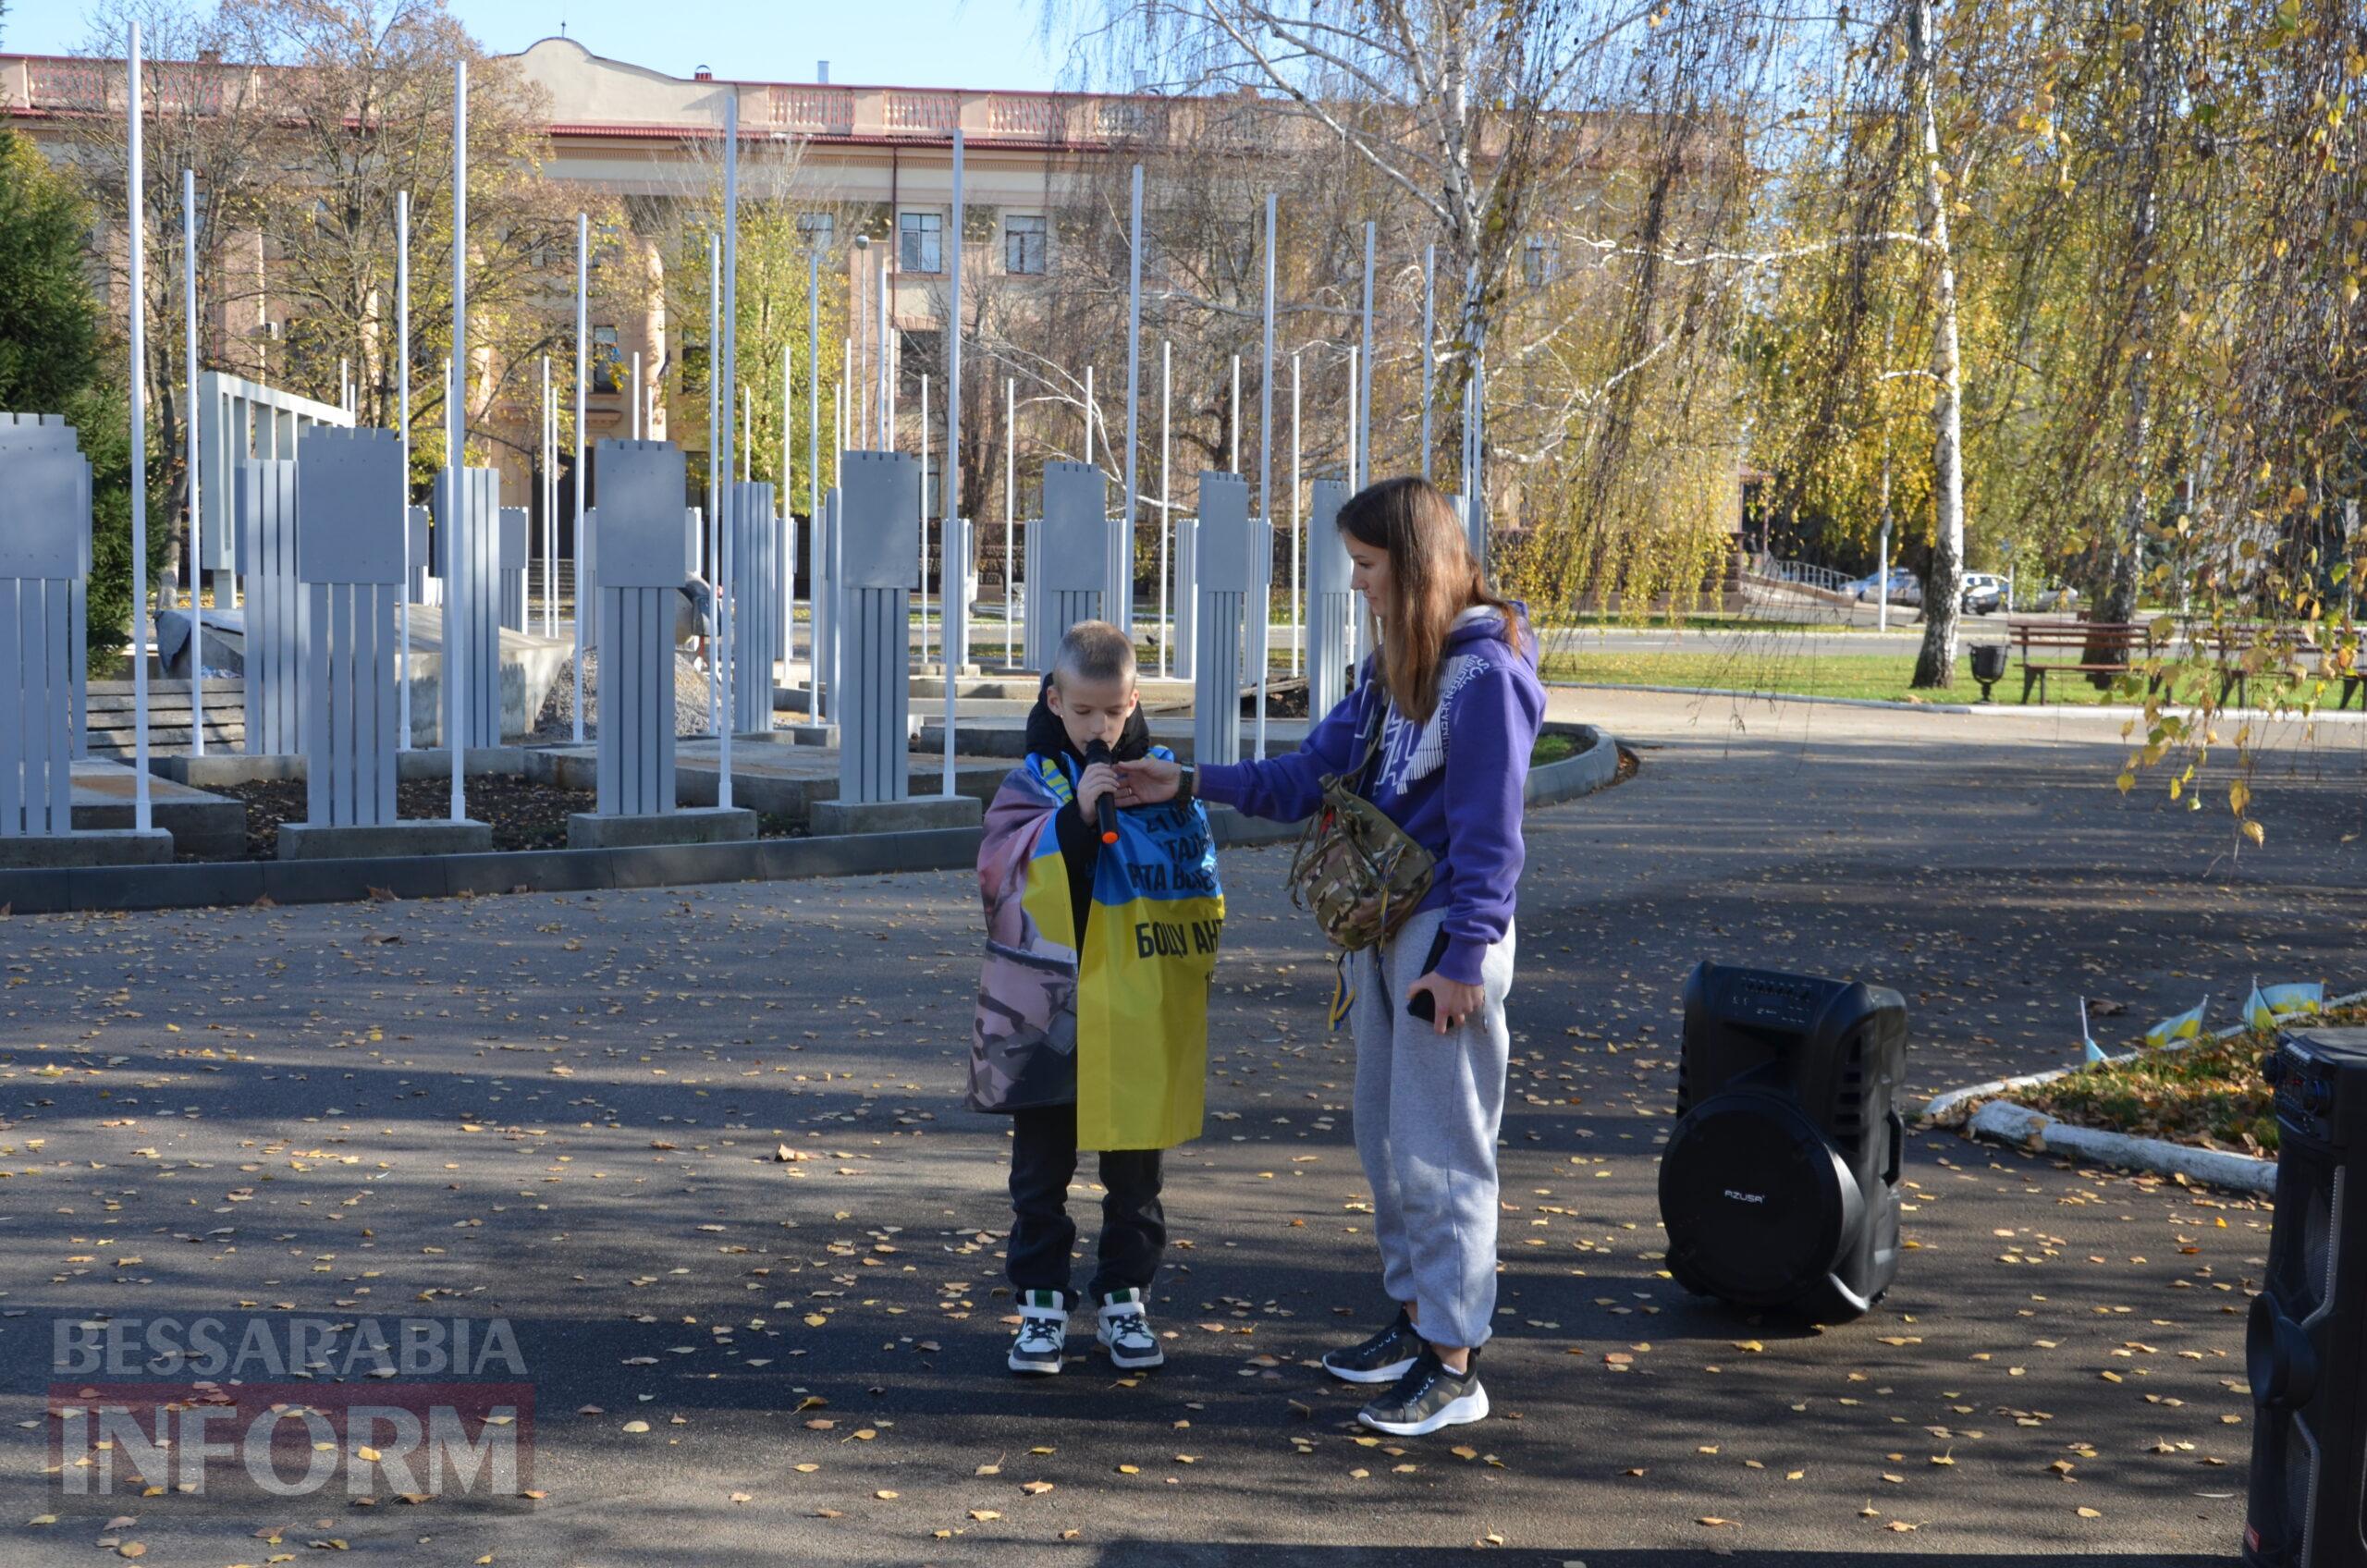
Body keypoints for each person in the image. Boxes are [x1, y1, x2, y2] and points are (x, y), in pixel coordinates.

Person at [1119, 477, 1542, 1437]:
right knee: (1391, 1144)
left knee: (1443, 1150)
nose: (1354, 584)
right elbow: (1307, 776)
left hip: (1442, 936)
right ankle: (1416, 1320)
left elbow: (1491, 835)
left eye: (1366, 565)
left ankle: (1453, 1360)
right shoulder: (1400, 664)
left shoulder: (1487, 675)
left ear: (1416, 564)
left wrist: (1467, 957)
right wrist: (1181, 782)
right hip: (1387, 930)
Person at [968, 620, 1224, 1378]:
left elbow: (1194, 880)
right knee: (1041, 1170)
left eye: (1112, 713)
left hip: (1135, 1005)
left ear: (1135, 700)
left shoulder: (1159, 782)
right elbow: (999, 874)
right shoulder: (1029, 785)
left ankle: (1125, 1298)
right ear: (1054, 700)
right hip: (1050, 1010)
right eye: (1081, 712)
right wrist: (1074, 820)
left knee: (1135, 1172)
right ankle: (1041, 1306)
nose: (1098, 728)